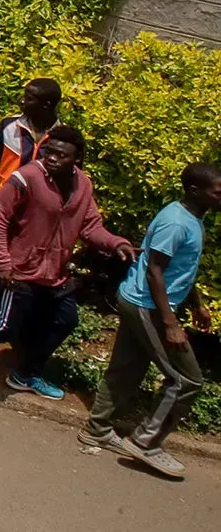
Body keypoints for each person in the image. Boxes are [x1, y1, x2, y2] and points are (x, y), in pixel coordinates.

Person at [0, 124, 134, 403]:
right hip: (19, 270)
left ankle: (25, 374)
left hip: (55, 273)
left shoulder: (82, 184)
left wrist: (116, 243)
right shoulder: (26, 178)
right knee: (3, 324)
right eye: (50, 151)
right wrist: (1, 262)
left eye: (62, 155)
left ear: (77, 159)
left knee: (65, 320)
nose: (52, 158)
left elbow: (90, 226)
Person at [81, 162, 221, 479]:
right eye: (218, 192)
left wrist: (196, 304)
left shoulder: (192, 218)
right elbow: (154, 270)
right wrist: (170, 323)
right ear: (195, 191)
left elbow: (179, 270)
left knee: (127, 368)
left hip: (139, 300)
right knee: (187, 380)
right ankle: (146, 442)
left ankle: (97, 429)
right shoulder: (176, 222)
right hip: (146, 305)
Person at [0, 77, 63, 221]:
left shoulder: (62, 139)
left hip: (39, 220)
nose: (22, 101)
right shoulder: (8, 127)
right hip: (3, 212)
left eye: (29, 99)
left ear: (46, 105)